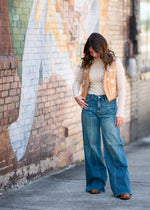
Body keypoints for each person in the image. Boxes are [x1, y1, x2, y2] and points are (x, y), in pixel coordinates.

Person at [72, 33, 132, 200]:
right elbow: (76, 82)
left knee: (113, 145)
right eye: (90, 52)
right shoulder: (86, 63)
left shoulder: (114, 63)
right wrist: (75, 95)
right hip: (89, 105)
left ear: (102, 48)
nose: (93, 55)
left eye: (95, 52)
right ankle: (95, 183)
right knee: (91, 145)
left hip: (109, 106)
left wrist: (121, 112)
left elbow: (122, 89)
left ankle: (122, 188)